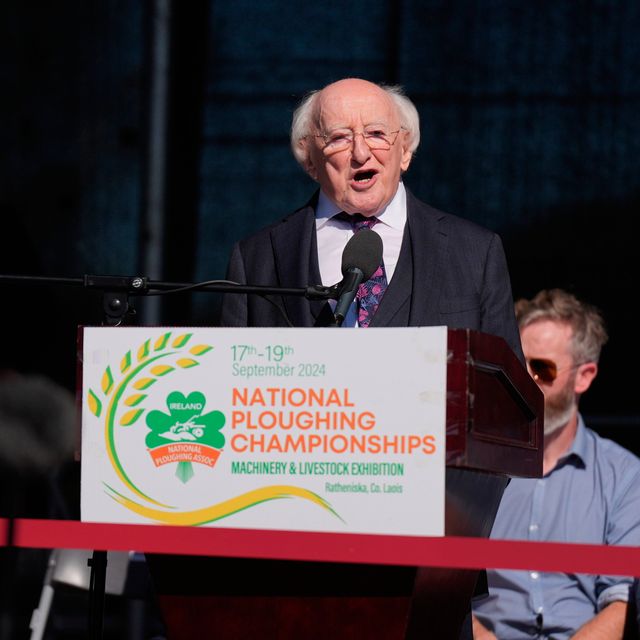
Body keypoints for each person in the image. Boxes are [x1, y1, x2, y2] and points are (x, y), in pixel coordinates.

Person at [219, 77, 523, 362]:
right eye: (339, 138)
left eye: (377, 134)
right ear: (310, 159)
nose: (361, 153)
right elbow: (227, 383)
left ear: (404, 150)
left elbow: (510, 399)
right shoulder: (257, 258)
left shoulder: (475, 251)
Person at [473, 288, 640, 639]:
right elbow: (444, 590)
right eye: (520, 365)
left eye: (543, 369)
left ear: (585, 375)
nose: (527, 380)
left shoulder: (624, 476)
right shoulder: (474, 469)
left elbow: (623, 602)